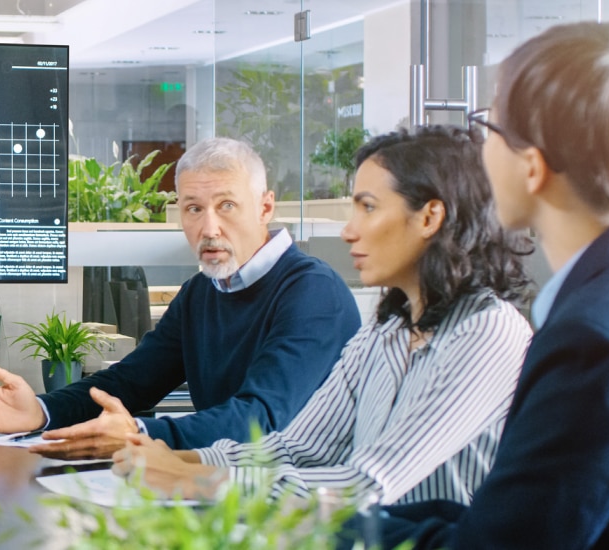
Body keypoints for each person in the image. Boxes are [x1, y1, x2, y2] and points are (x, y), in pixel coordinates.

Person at [370, 21, 609, 548]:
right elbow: (526, 511)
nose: (480, 151)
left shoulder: (594, 342)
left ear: (533, 168)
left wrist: (315, 530)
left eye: (489, 130)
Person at [110, 126, 533, 507]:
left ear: (429, 217)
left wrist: (197, 478)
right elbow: (296, 448)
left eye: (368, 208)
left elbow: (364, 485)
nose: (349, 230)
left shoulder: (488, 330)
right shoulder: (386, 332)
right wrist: (173, 457)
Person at [0, 137, 361, 458]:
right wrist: (40, 411)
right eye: (193, 208)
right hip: (224, 482)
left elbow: (263, 419)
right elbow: (130, 382)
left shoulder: (312, 292)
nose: (209, 227)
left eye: (227, 205)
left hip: (305, 503)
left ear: (265, 207)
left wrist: (140, 434)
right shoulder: (203, 290)